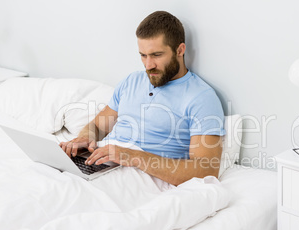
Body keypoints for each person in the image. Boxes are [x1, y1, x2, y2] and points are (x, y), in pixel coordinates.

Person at [60, 11, 225, 186]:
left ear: (180, 50)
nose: (148, 65)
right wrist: (85, 137)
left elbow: (206, 171)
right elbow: (98, 126)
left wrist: (133, 156)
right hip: (101, 166)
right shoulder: (132, 81)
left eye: (156, 55)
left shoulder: (201, 98)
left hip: (142, 178)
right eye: (143, 55)